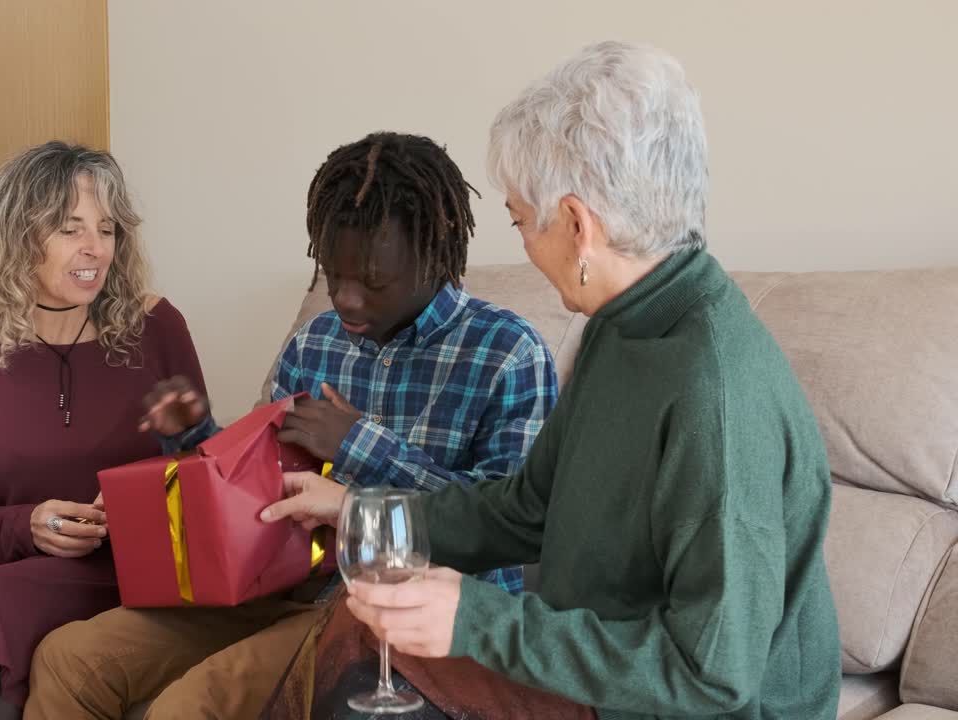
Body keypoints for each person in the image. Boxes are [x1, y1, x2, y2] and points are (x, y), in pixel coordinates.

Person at [260, 42, 842, 720]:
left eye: (518, 221)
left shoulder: (714, 394)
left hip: (683, 705)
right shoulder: (619, 327)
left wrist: (475, 620)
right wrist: (358, 512)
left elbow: (712, 676)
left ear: (576, 224)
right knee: (359, 630)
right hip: (597, 673)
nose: (524, 246)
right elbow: (531, 508)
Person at [25, 131, 559, 720]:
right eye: (334, 277)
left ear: (432, 256)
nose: (348, 302)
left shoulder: (507, 354)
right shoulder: (317, 341)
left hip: (402, 617)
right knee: (67, 658)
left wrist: (357, 443)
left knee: (188, 707)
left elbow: (507, 525)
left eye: (373, 282)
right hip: (277, 587)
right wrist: (196, 434)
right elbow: (255, 486)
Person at [0, 141, 208, 720]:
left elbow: (206, 471)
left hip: (131, 570)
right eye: (69, 229)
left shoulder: (156, 327)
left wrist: (180, 457)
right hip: (13, 568)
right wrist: (28, 525)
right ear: (18, 238)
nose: (95, 249)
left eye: (107, 229)